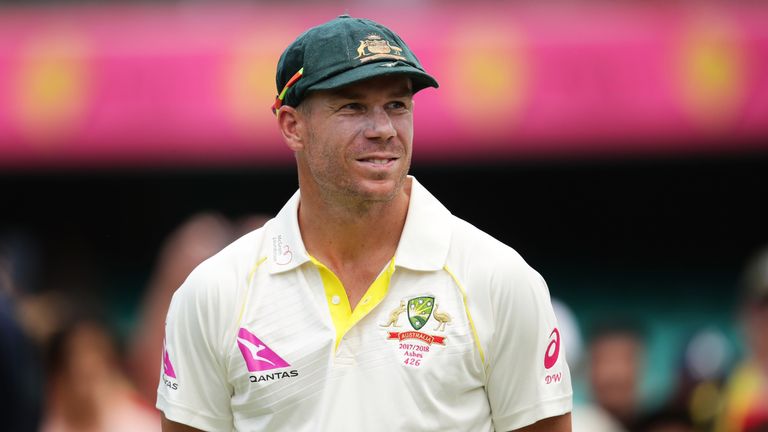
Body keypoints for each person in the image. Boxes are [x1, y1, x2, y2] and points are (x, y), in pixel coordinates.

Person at [157, 15, 572, 431]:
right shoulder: (213, 292)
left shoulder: (499, 278)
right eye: (353, 106)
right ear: (291, 126)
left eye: (397, 105)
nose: (383, 130)